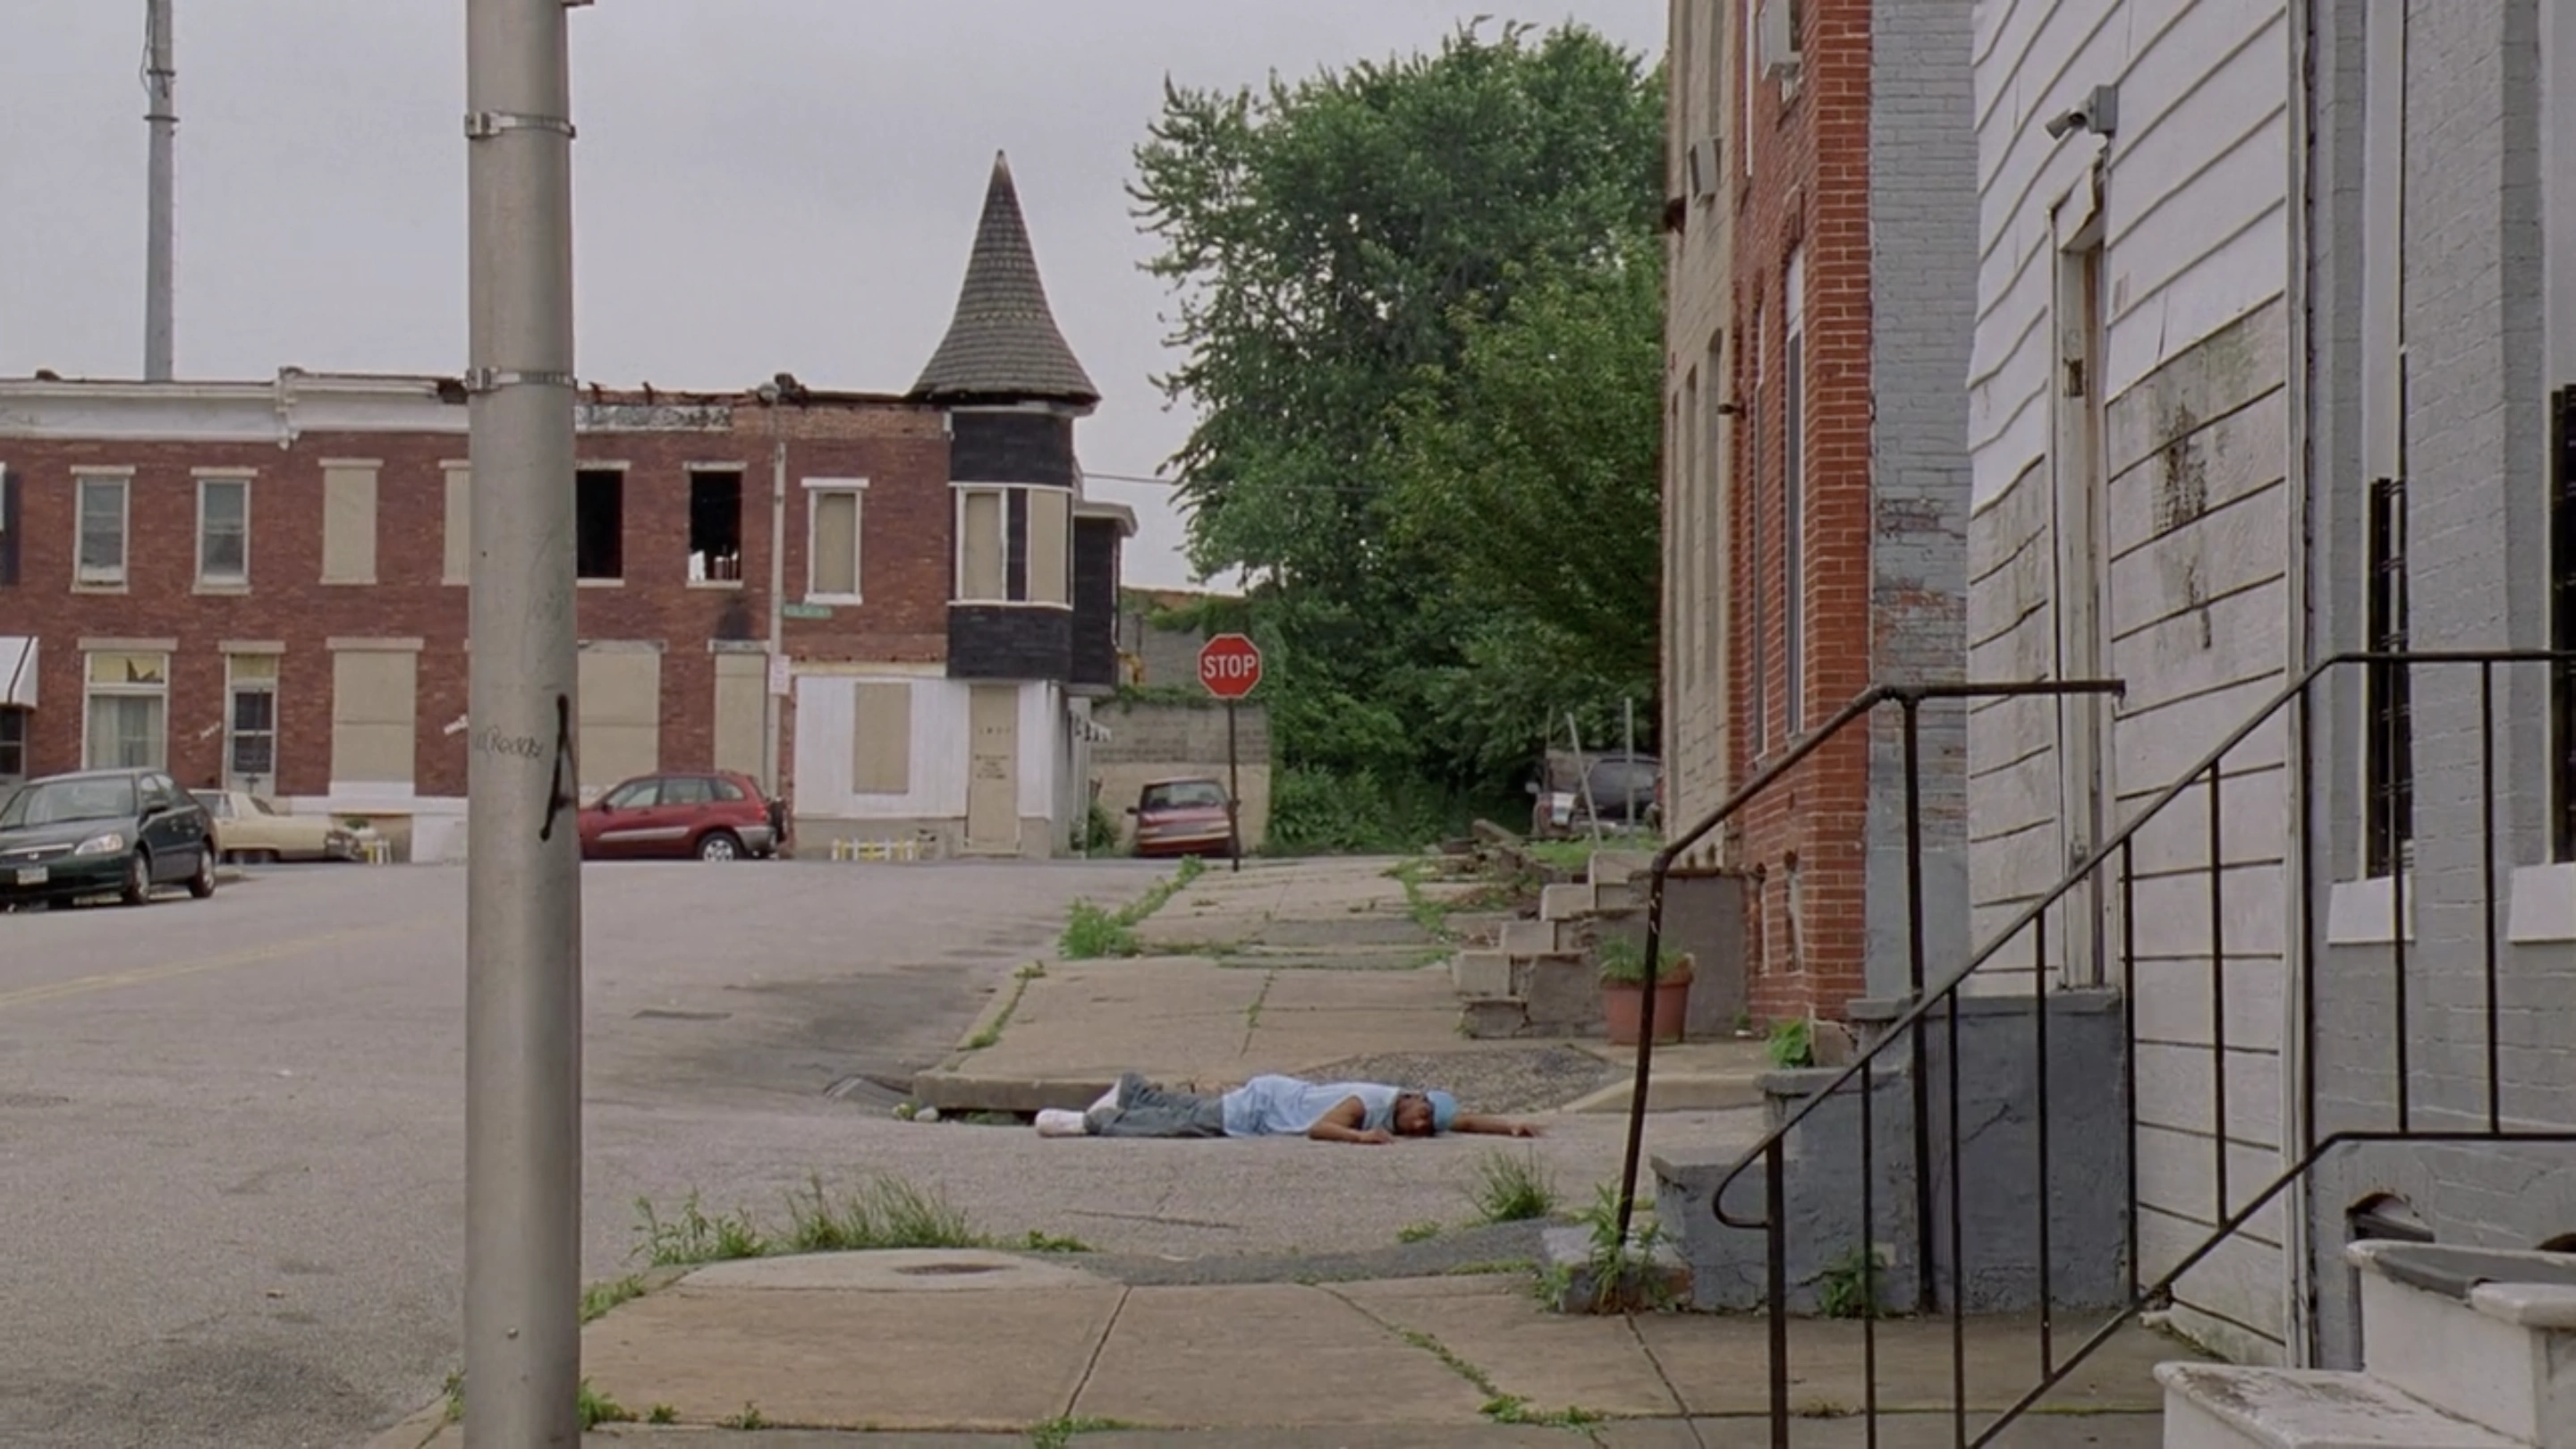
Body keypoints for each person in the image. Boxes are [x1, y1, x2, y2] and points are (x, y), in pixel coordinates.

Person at [1037, 1072, 1544, 1144]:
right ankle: (1093, 1122)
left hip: (1271, 1093)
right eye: (1423, 1117)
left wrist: (1509, 1126)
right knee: (1180, 1126)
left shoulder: (1404, 1106)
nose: (1419, 1126)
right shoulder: (1369, 1104)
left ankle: (1132, 1089)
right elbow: (1322, 1129)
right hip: (1262, 1109)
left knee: (1191, 1106)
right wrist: (1361, 1137)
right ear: (1415, 1098)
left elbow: (1463, 1120)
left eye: (1425, 1129)